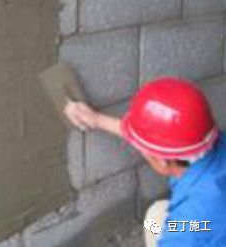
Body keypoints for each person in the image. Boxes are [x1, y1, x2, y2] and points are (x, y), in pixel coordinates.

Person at [63, 77, 226, 247]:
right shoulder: (214, 142)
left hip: (203, 228)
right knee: (154, 220)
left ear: (163, 160)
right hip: (212, 225)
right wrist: (96, 120)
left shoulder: (184, 230)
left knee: (155, 221)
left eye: (143, 149)